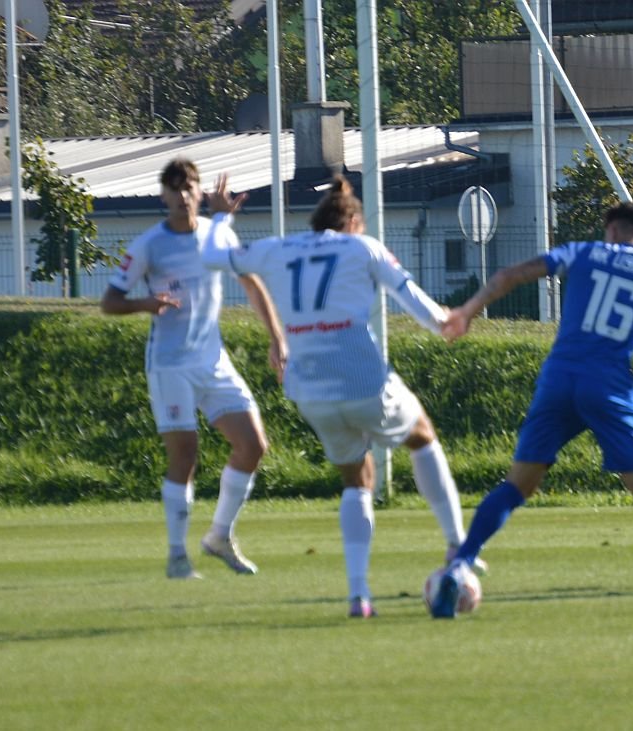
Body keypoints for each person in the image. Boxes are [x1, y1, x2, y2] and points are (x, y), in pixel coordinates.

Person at [202, 175, 479, 618]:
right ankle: (456, 544)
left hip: (310, 389)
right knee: (422, 435)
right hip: (361, 377)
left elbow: (214, 255)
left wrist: (220, 217)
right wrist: (444, 322)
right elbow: (411, 297)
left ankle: (359, 596)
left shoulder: (278, 248)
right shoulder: (362, 247)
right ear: (353, 222)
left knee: (356, 479)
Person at [431, 200, 633, 617]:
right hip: (609, 385)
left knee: (517, 485)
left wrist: (468, 311)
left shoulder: (583, 251)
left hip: (558, 379)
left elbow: (509, 275)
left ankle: (459, 565)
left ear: (612, 230)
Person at [101, 158, 284, 581]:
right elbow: (109, 302)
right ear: (163, 196)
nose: (183, 195)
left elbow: (251, 283)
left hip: (213, 361)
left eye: (189, 187)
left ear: (199, 192)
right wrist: (145, 304)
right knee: (185, 455)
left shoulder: (216, 236)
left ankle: (219, 536)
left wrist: (277, 337)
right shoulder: (149, 245)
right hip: (170, 364)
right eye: (175, 188)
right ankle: (177, 557)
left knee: (253, 445)